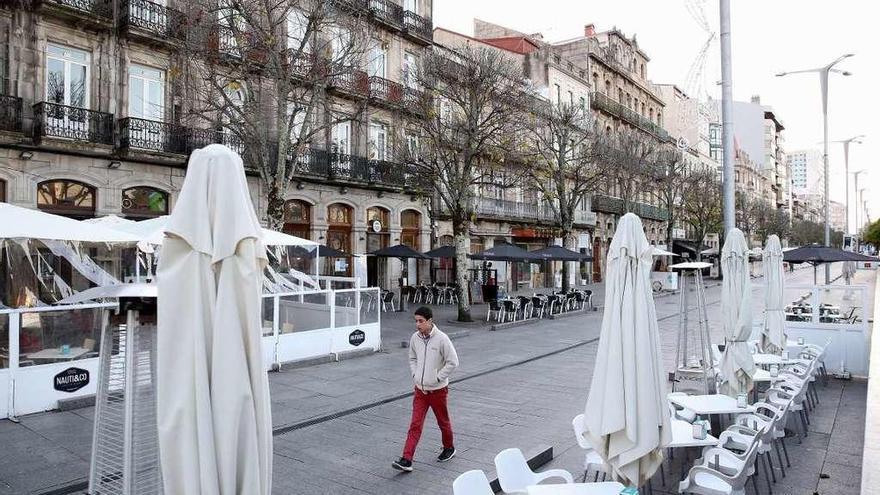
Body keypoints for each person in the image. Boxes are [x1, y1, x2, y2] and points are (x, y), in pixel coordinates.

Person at [392, 306, 459, 472]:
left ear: (430, 321)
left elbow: (453, 362)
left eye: (421, 321)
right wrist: (415, 375)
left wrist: (437, 377)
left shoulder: (442, 339)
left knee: (443, 421)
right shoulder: (415, 338)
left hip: (438, 391)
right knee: (415, 424)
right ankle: (406, 459)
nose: (418, 325)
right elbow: (412, 358)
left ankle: (449, 448)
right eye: (416, 321)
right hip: (420, 391)